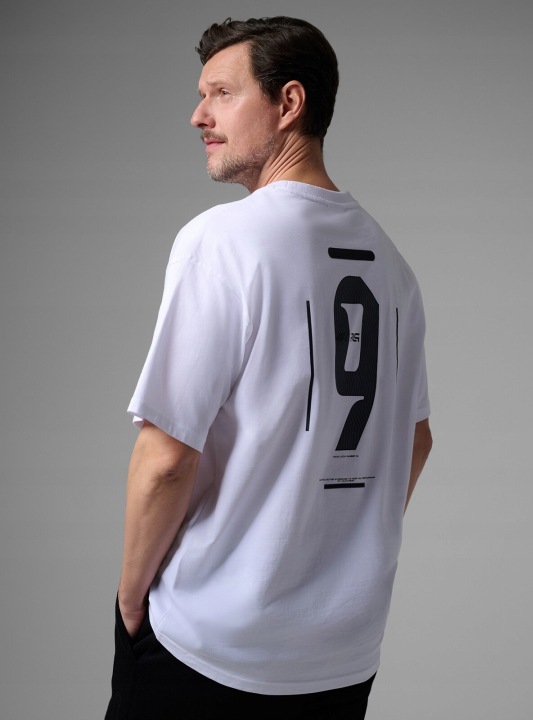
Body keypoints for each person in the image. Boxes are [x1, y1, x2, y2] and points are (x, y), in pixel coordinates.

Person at [104, 16, 432, 720]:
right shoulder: (392, 265)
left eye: (221, 94)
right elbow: (417, 440)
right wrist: (335, 550)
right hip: (341, 654)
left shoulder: (223, 240)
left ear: (289, 103)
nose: (199, 116)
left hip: (209, 645)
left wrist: (131, 604)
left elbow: (166, 458)